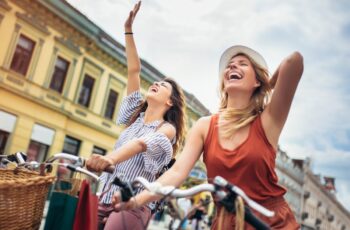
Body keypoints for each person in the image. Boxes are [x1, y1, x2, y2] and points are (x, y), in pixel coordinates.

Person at [112, 44, 304, 229]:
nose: (233, 66)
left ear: (257, 81)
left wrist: (266, 86)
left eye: (243, 64)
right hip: (224, 222)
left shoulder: (268, 121)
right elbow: (177, 172)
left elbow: (294, 61)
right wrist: (137, 200)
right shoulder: (205, 125)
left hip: (269, 222)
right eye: (230, 65)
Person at [86, 2, 186, 229]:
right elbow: (134, 70)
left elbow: (141, 144)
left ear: (170, 102)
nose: (156, 84)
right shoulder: (134, 116)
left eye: (162, 86)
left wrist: (109, 159)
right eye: (156, 82)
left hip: (134, 203)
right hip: (105, 194)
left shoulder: (167, 128)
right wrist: (128, 29)